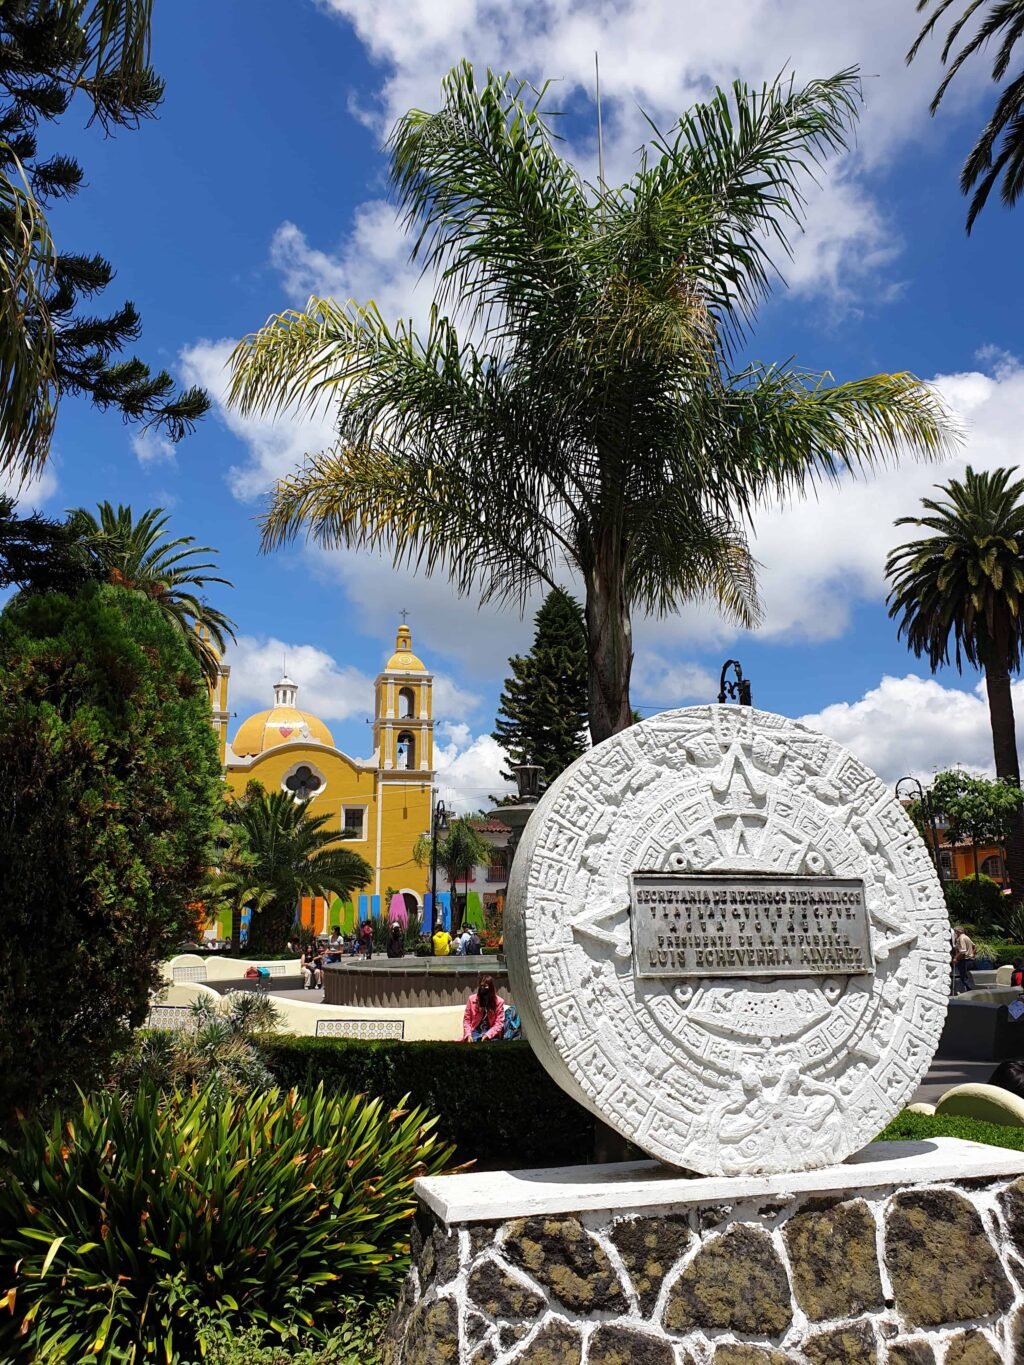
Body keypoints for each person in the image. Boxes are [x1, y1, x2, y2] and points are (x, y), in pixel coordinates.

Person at [462, 974, 506, 1042]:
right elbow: (466, 1020)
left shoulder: (499, 1002)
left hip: (492, 1032)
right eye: (481, 986)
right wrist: (468, 1034)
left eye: (485, 986)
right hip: (475, 1031)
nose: (482, 988)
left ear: (490, 987)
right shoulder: (472, 999)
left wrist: (487, 1035)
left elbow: (499, 1023)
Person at [953, 926, 976, 994]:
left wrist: (955, 958)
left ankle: (969, 993)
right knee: (965, 977)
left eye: (955, 932)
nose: (954, 933)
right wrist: (972, 954)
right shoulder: (966, 937)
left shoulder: (961, 938)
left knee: (964, 978)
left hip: (964, 960)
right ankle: (966, 992)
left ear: (959, 931)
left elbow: (962, 950)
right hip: (970, 960)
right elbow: (974, 946)